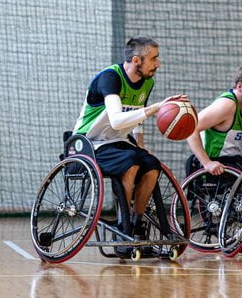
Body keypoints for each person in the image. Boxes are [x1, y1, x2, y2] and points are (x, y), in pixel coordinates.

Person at [73, 35, 188, 239]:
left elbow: (137, 117)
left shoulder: (146, 83)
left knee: (152, 164)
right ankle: (122, 225)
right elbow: (117, 120)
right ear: (136, 60)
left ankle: (136, 223)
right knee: (130, 162)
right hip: (89, 142)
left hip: (117, 141)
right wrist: (156, 108)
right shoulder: (110, 78)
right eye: (153, 58)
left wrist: (141, 145)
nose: (158, 64)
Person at [186, 65, 242, 175]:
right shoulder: (227, 105)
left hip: (233, 162)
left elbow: (239, 146)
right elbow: (191, 128)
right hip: (216, 164)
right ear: (240, 86)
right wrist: (207, 163)